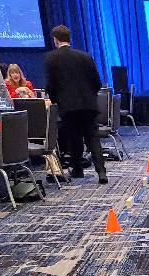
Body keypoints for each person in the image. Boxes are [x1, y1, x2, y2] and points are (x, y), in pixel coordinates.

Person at [44, 25, 107, 183]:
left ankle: (78, 169)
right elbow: (97, 82)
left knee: (74, 138)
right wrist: (89, 98)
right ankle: (101, 172)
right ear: (69, 38)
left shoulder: (51, 58)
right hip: (89, 105)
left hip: (68, 107)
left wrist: (56, 102)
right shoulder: (85, 56)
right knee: (93, 138)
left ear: (55, 40)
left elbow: (51, 85)